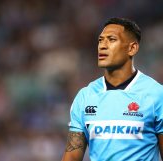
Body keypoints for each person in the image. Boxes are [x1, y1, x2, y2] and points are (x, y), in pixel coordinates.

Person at [61, 17, 163, 161]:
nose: (102, 45)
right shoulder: (85, 96)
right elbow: (71, 157)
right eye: (100, 40)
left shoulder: (156, 95)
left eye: (111, 39)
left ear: (132, 48)